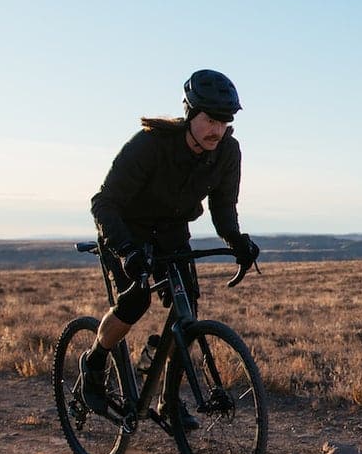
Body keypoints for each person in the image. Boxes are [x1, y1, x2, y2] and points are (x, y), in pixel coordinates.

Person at [79, 69, 263, 409]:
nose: (217, 130)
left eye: (224, 122)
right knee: (135, 302)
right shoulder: (150, 144)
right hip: (126, 228)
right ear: (190, 114)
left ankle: (168, 400)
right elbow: (103, 203)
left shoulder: (227, 151)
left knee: (186, 308)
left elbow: (223, 207)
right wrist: (126, 252)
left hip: (172, 230)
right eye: (210, 120)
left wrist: (237, 240)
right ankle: (94, 362)